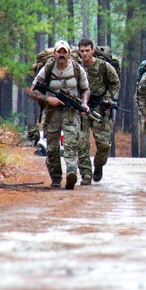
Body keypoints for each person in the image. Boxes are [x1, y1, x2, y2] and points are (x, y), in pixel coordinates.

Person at [29, 40, 91, 189]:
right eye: (59, 52)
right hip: (52, 112)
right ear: (55, 53)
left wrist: (84, 103)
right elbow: (33, 90)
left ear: (69, 53)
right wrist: (47, 99)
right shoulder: (47, 69)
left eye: (65, 52)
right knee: (52, 147)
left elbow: (85, 89)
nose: (62, 55)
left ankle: (71, 172)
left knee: (71, 142)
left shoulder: (77, 69)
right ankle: (56, 177)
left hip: (71, 111)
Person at [76, 38, 120, 184]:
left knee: (104, 144)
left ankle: (99, 165)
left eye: (87, 50)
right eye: (82, 51)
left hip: (100, 108)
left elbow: (115, 83)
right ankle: (86, 174)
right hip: (81, 108)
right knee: (81, 143)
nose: (85, 54)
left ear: (93, 50)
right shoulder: (76, 67)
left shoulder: (103, 66)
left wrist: (108, 99)